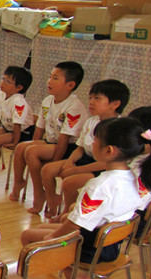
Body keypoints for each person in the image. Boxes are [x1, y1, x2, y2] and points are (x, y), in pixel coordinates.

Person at [21, 118, 151, 279]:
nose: (92, 143)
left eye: (96, 140)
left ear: (109, 151)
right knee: (45, 227)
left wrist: (52, 238)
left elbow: (73, 225)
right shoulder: (136, 179)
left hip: (90, 249)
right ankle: (72, 275)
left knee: (28, 236)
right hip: (112, 246)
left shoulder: (99, 185)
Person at [40, 80, 129, 218]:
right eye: (90, 98)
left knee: (69, 183)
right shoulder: (91, 121)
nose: (91, 102)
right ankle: (53, 203)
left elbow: (105, 163)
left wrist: (75, 170)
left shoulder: (118, 129)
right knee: (47, 170)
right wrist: (69, 162)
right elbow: (79, 148)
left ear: (115, 104)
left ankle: (68, 214)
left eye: (97, 98)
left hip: (102, 168)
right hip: (85, 160)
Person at [9, 61, 87, 215]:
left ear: (70, 85)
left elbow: (64, 139)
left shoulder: (73, 106)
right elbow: (39, 128)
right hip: (50, 142)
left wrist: (55, 161)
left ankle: (43, 195)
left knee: (31, 152)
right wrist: (33, 142)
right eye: (50, 77)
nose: (49, 81)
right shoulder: (47, 101)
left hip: (67, 148)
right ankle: (20, 182)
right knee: (22, 147)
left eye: (55, 78)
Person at [0, 66, 34, 177]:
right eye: (3, 79)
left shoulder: (19, 102)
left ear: (18, 88)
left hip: (23, 133)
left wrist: (15, 143)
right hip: (8, 127)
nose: (2, 83)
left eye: (7, 81)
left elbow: (17, 125)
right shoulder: (0, 95)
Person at [128, 106, 151, 232]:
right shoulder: (148, 159)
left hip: (131, 222)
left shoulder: (145, 166)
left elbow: (129, 204)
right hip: (135, 219)